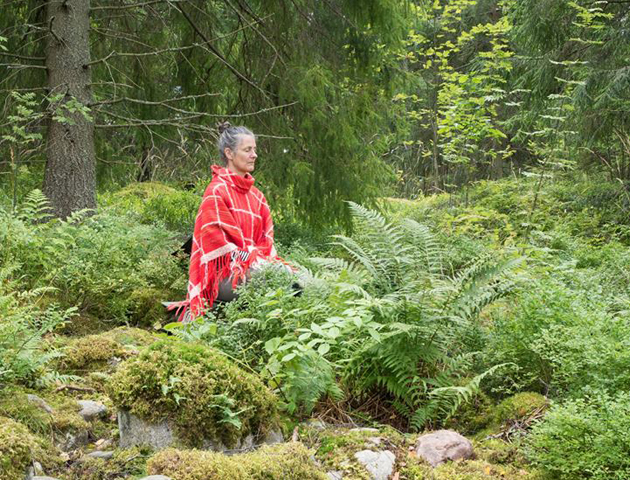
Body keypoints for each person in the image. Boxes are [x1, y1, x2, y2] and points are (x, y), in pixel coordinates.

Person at [173, 123, 284, 321]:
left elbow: (266, 244)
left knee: (299, 279)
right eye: (247, 150)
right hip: (222, 276)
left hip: (254, 268)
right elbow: (219, 250)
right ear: (229, 153)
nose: (254, 155)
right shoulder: (216, 192)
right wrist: (252, 259)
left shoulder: (258, 198)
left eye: (255, 150)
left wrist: (260, 261)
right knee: (277, 281)